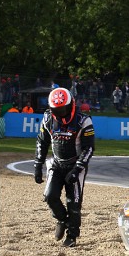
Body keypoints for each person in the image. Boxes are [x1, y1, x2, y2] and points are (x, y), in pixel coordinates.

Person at [33, 88, 95, 247]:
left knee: (73, 203)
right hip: (56, 163)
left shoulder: (84, 121)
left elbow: (89, 149)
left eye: (63, 109)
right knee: (49, 196)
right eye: (56, 110)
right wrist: (38, 165)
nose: (60, 113)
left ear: (71, 104)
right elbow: (42, 141)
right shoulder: (47, 118)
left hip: (76, 166)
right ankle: (61, 219)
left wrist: (77, 169)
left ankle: (72, 236)